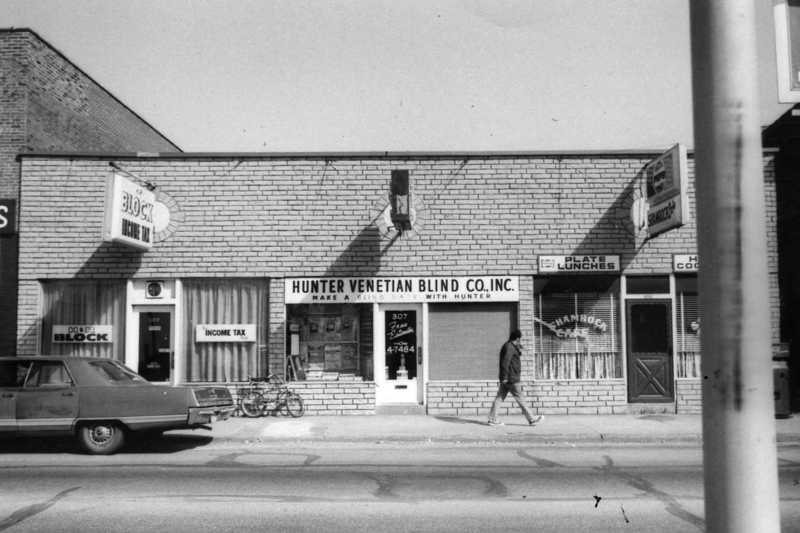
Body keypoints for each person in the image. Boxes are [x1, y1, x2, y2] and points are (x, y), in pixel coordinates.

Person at [487, 329, 544, 426]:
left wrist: (520, 347)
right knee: (520, 398)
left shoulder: (510, 346)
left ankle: (492, 419)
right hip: (511, 378)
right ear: (517, 338)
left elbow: (514, 354)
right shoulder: (509, 347)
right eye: (520, 339)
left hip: (507, 378)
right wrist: (504, 377)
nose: (520, 341)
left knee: (499, 398)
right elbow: (505, 362)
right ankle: (531, 419)